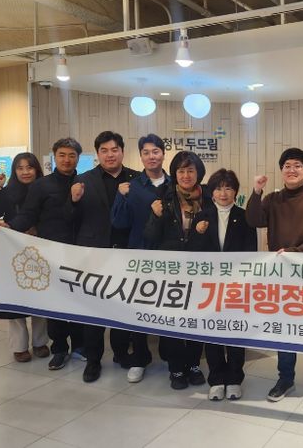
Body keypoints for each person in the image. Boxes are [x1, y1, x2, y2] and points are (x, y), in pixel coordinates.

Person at [245, 147, 303, 408]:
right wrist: (257, 191)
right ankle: (285, 379)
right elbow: (253, 220)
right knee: (284, 329)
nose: (291, 170)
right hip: (281, 277)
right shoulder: (272, 199)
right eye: (287, 166)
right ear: (281, 171)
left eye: (297, 166)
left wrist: (294, 253)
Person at [0, 138, 85, 371]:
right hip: (50, 253)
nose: (67, 160)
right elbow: (29, 214)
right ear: (54, 157)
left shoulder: (86, 182)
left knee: (80, 302)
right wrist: (11, 226)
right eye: (62, 155)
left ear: (78, 158)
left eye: (72, 155)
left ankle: (80, 346)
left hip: (81, 252)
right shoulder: (41, 185)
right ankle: (59, 349)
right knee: (55, 305)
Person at [68, 131, 139, 383]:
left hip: (126, 254)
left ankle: (120, 352)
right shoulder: (83, 180)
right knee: (93, 309)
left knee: (122, 306)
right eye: (104, 151)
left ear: (122, 151)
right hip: (94, 253)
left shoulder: (136, 179)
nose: (110, 155)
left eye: (114, 150)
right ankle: (93, 360)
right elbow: (71, 220)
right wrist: (73, 201)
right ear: (97, 153)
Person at [191, 169, 257, 401]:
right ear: (212, 192)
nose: (223, 193)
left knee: (235, 332)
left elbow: (251, 252)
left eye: (228, 188)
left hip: (236, 286)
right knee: (212, 332)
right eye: (218, 188)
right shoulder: (202, 216)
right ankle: (217, 379)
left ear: (235, 192)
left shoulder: (244, 216)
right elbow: (192, 253)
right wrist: (197, 233)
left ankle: (235, 379)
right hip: (210, 287)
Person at [144, 150, 208, 390]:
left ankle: (193, 364)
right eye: (181, 171)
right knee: (172, 320)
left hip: (200, 269)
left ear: (199, 172)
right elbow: (150, 237)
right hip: (170, 270)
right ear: (175, 173)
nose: (186, 175)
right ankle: (176, 368)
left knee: (196, 319)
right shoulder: (165, 197)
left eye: (190, 170)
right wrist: (155, 215)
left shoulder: (208, 197)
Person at [110, 133, 170, 383]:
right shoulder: (132, 186)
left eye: (155, 151)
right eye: (146, 152)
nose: (151, 156)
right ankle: (140, 358)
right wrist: (121, 196)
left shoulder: (175, 184)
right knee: (138, 308)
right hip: (140, 255)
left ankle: (169, 353)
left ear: (163, 154)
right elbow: (119, 222)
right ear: (141, 156)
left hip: (169, 257)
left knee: (168, 306)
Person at [0, 152, 49, 363]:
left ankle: (40, 342)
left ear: (37, 169)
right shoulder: (8, 191)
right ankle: (19, 346)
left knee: (41, 296)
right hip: (13, 251)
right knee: (14, 299)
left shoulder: (46, 189)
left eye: (29, 167)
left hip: (41, 249)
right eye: (20, 168)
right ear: (15, 171)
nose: (25, 172)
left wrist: (37, 229)